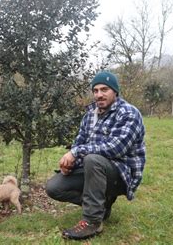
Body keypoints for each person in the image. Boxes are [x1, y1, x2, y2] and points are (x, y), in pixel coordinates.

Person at [46, 71, 146, 240]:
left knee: (93, 159)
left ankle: (92, 222)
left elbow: (116, 148)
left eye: (104, 89)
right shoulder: (90, 115)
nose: (99, 95)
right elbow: (80, 142)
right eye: (96, 90)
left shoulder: (129, 113)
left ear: (115, 91)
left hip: (120, 174)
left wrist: (75, 152)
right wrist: (69, 163)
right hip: (94, 169)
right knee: (54, 187)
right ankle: (101, 207)